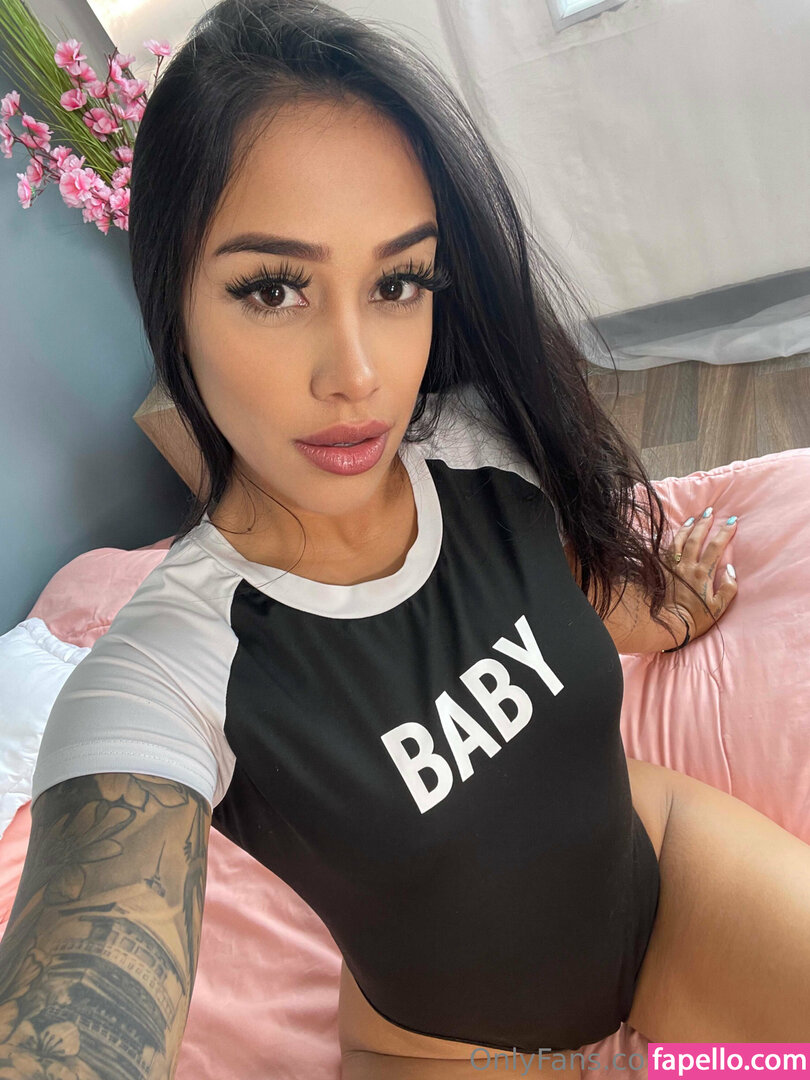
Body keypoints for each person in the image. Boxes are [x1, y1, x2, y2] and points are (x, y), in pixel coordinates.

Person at [1, 1, 809, 1077]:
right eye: (273, 288)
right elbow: (79, 988)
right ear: (174, 304)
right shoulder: (164, 673)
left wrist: (658, 606)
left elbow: (563, 599)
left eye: (397, 283)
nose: (359, 374)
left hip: (662, 889)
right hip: (453, 1052)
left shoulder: (484, 441)